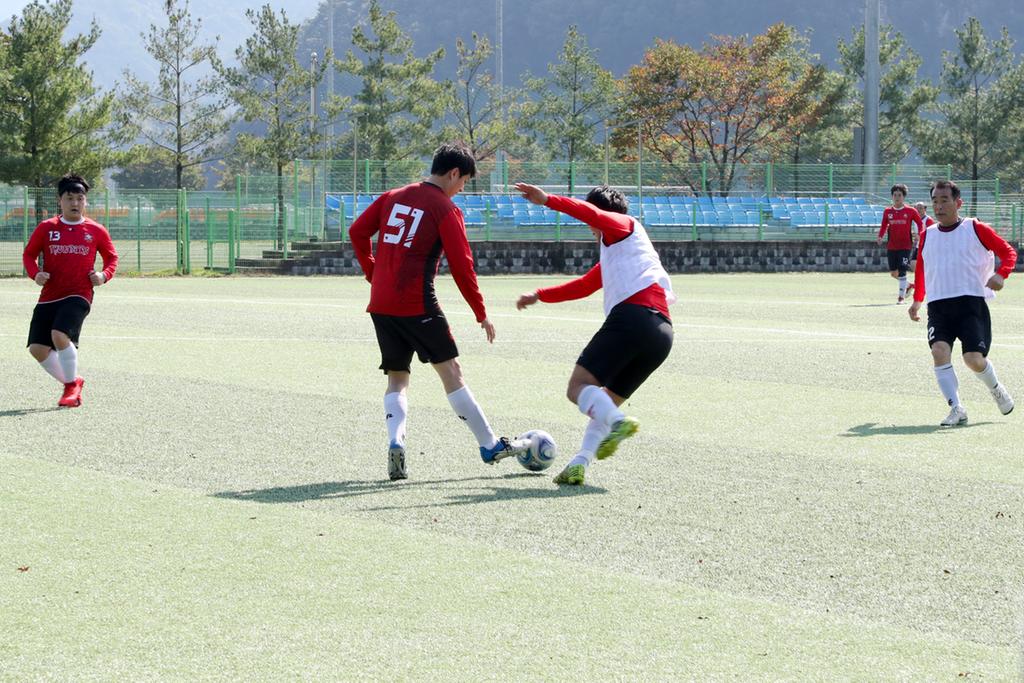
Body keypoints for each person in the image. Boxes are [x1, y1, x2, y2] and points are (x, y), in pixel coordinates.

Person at [349, 142, 527, 481]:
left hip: (381, 304)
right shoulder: (444, 209)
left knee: (397, 377)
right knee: (452, 373)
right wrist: (481, 312)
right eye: (463, 183)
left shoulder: (392, 196)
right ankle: (490, 445)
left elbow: (357, 231)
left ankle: (396, 440)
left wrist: (372, 270)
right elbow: (463, 268)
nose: (461, 190)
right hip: (417, 304)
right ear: (453, 173)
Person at [514, 182, 675, 486]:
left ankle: (618, 423)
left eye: (593, 218)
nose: (589, 225)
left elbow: (593, 214)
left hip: (633, 318)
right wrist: (540, 294)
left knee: (578, 387)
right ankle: (580, 463)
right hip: (661, 334)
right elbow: (584, 286)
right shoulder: (622, 250)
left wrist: (547, 200)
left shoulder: (624, 225)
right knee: (603, 401)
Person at [908, 180, 1016, 426]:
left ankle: (996, 388)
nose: (939, 206)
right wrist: (917, 301)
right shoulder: (927, 235)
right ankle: (956, 408)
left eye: (944, 200)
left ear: (958, 203)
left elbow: (1008, 252)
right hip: (938, 306)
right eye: (935, 201)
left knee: (973, 359)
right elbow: (923, 270)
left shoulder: (974, 228)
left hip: (970, 304)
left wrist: (1002, 274)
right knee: (939, 351)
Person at [22, 174, 118, 408]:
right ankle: (73, 381)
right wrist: (36, 274)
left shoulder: (96, 230)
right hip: (49, 295)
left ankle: (71, 388)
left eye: (80, 198)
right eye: (70, 198)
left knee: (59, 334)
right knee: (37, 349)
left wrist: (103, 276)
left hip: (79, 294)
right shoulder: (47, 228)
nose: (75, 203)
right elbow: (29, 255)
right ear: (60, 201)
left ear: (85, 202)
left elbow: (111, 258)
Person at [877, 183, 924, 303]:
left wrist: (919, 234)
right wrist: (880, 236)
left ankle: (901, 297)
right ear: (892, 196)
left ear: (904, 197)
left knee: (902, 270)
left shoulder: (910, 211)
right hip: (892, 246)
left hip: (905, 246)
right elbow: (883, 226)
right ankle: (908, 285)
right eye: (895, 195)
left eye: (900, 195)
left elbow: (919, 223)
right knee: (893, 273)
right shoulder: (887, 211)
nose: (897, 197)